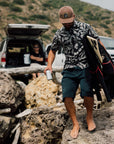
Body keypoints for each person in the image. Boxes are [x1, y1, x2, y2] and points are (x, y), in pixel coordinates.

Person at [44, 6, 104, 139]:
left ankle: (89, 117)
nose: (67, 24)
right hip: (69, 68)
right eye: (64, 22)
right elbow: (53, 50)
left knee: (87, 92)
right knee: (67, 96)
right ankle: (75, 123)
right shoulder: (59, 33)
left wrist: (104, 59)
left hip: (85, 67)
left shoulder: (85, 27)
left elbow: (97, 42)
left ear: (74, 16)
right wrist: (49, 65)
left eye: (69, 21)